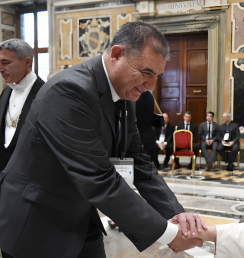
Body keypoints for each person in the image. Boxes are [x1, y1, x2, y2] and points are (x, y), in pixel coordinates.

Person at [0, 22, 206, 258]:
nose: (151, 86)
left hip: (79, 213)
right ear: (117, 54)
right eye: (146, 72)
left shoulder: (125, 93)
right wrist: (168, 233)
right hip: (37, 223)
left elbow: (140, 162)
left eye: (157, 76)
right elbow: (98, 177)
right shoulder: (68, 90)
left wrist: (176, 215)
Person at [0, 39, 45, 171]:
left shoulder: (46, 94)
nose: (1, 69)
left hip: (30, 176)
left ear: (27, 62)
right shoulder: (6, 91)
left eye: (6, 63)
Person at [135, 90, 162, 169]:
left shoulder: (132, 94)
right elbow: (157, 121)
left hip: (136, 134)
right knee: (150, 164)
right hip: (149, 134)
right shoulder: (148, 94)